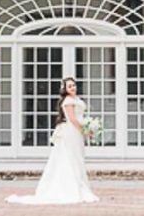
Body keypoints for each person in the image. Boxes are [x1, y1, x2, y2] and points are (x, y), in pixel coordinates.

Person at [6, 77, 99, 205]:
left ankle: (79, 185)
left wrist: (88, 127)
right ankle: (71, 188)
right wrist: (85, 130)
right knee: (71, 158)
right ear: (65, 89)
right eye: (70, 86)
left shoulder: (76, 99)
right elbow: (72, 119)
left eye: (74, 85)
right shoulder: (68, 101)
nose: (73, 88)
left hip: (76, 132)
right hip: (71, 132)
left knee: (77, 158)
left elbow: (79, 117)